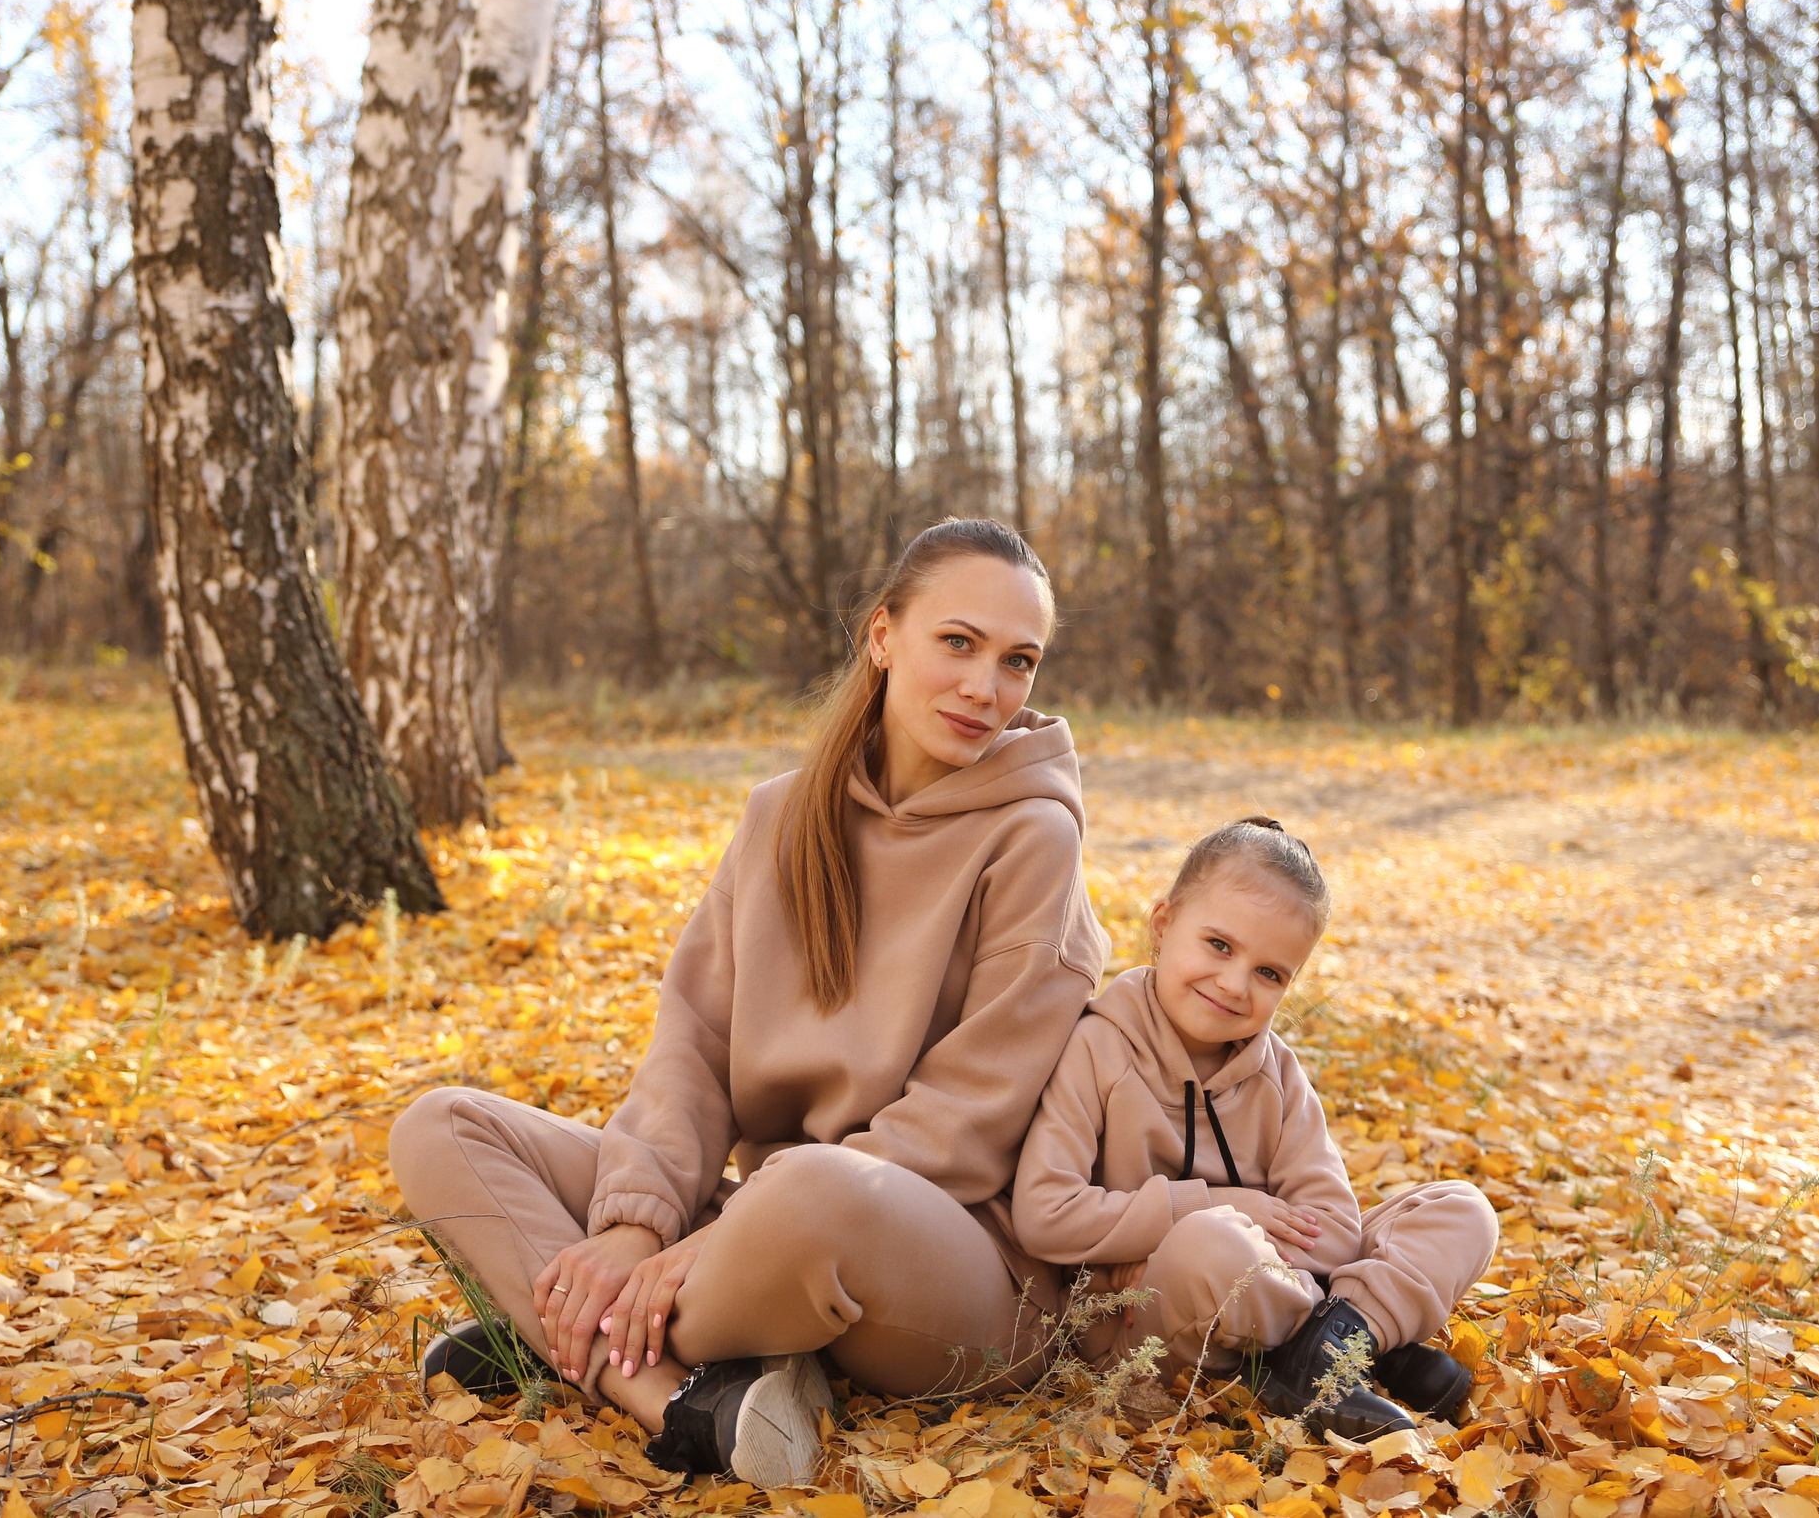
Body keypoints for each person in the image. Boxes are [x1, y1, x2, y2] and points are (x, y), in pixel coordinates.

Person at [386, 519, 1108, 1486]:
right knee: (442, 1125)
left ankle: (558, 1331)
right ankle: (674, 1392)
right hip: (759, 1227)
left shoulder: (1034, 837)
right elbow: (693, 1044)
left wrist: (713, 1239)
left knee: (815, 1188)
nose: (986, 687)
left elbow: (967, 1125)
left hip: (953, 1258)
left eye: (1018, 660)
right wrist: (637, 1227)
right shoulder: (782, 814)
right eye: (958, 642)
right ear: (883, 636)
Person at [1010, 817, 1500, 1441]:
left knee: (1462, 1209)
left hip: (1270, 1285)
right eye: (1219, 945)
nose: (1235, 984)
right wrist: (1211, 1208)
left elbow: (1338, 1227)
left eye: (1270, 973)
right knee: (1213, 1246)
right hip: (1148, 1316)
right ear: (1162, 927)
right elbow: (1044, 1212)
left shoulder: (1277, 1074)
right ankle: (1355, 1342)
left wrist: (1268, 1239)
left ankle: (1324, 1350)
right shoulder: (1097, 1049)